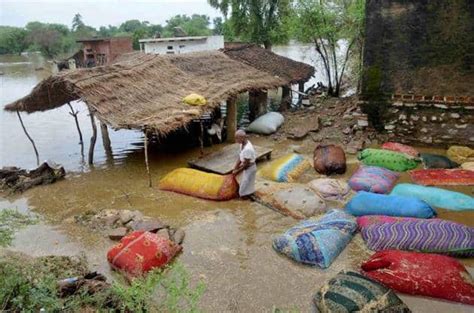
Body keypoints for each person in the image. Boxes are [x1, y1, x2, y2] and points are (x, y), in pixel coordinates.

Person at [232, 130, 257, 199]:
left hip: (250, 168)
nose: (236, 140)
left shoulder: (248, 149)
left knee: (243, 189)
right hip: (246, 166)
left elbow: (246, 164)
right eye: (235, 138)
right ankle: (248, 194)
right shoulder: (242, 144)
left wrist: (237, 171)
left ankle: (244, 197)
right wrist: (235, 167)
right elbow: (240, 157)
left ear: (242, 138)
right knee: (247, 183)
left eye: (237, 138)